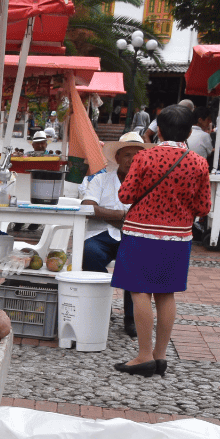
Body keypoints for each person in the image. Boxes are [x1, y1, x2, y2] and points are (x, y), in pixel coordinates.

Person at [113, 104, 211, 377]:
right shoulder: (199, 163)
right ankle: (160, 356)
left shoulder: (145, 157)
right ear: (189, 132)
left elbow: (125, 195)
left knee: (139, 291)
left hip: (140, 233)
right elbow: (203, 207)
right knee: (166, 293)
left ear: (158, 131)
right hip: (177, 236)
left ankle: (143, 355)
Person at [81, 132, 148, 338]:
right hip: (101, 234)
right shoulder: (101, 180)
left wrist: (105, 213)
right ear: (117, 157)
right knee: (89, 253)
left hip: (133, 235)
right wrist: (121, 215)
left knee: (136, 260)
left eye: (137, 155)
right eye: (127, 155)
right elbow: (88, 207)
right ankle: (101, 306)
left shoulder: (148, 183)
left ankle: (131, 317)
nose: (132, 160)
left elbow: (146, 216)